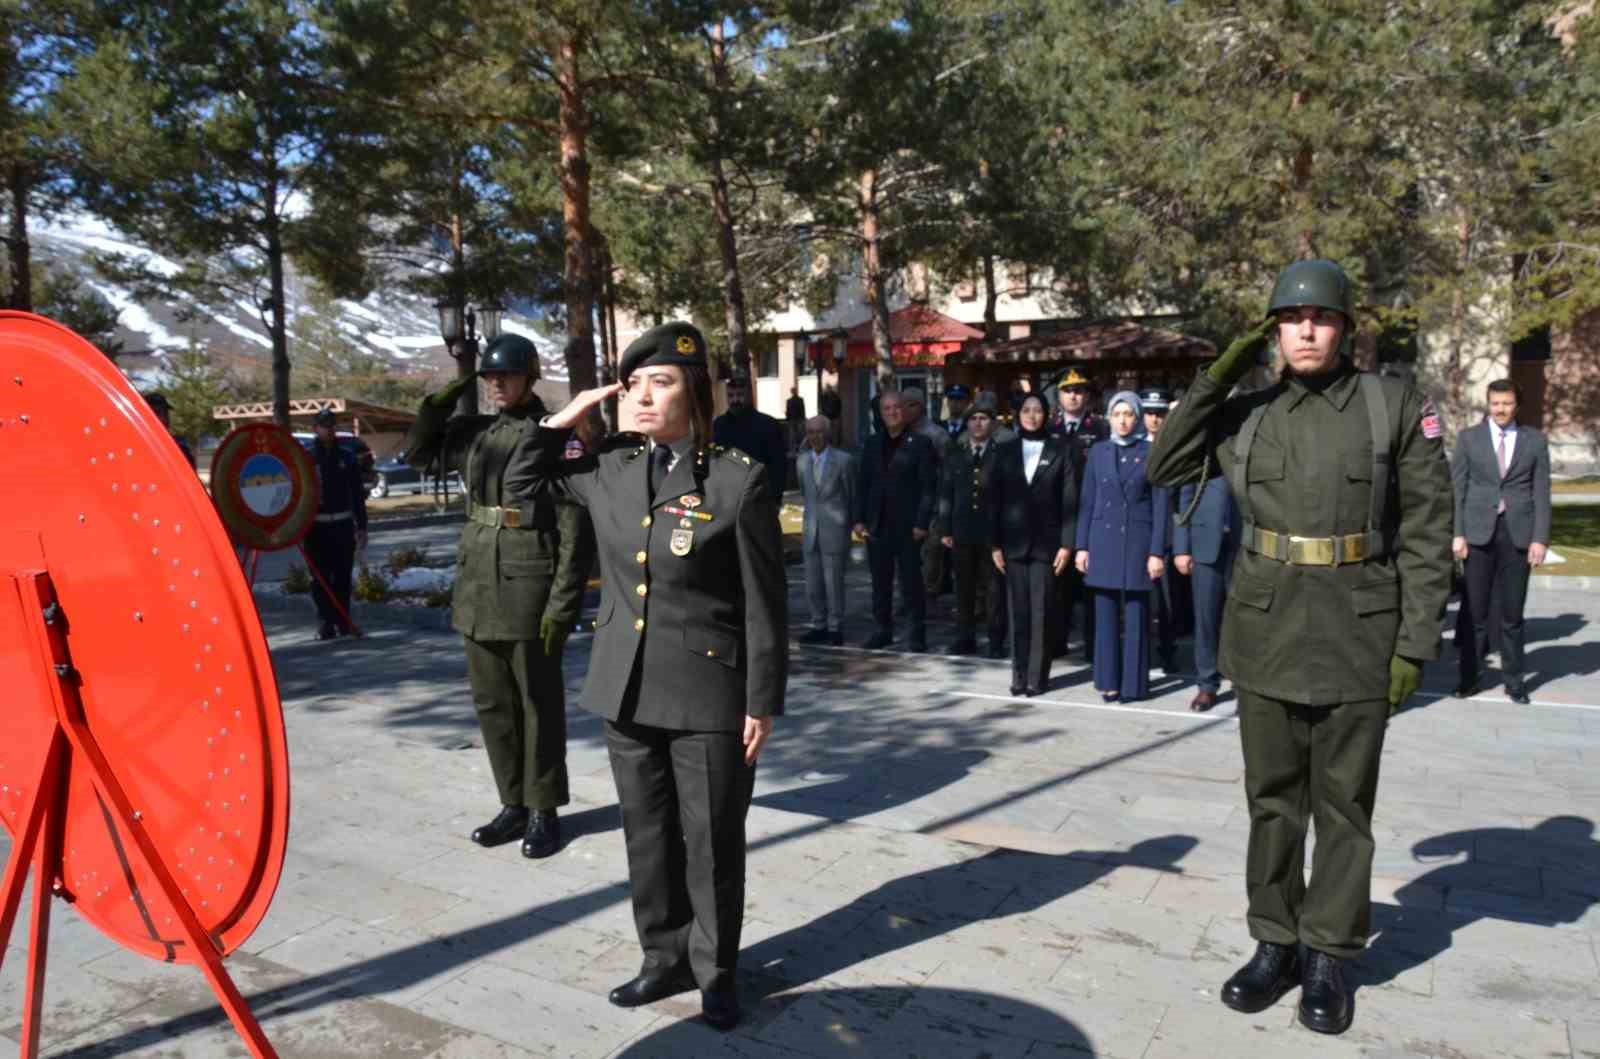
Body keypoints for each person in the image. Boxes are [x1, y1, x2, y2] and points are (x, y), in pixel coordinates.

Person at [1146, 259, 1453, 1036]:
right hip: (1265, 627)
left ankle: (1329, 953)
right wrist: (1219, 372)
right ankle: (1274, 941)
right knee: (1272, 799)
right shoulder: (1247, 412)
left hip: (1359, 629)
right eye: (1289, 318)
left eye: (1319, 317)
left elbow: (1423, 533)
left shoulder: (1391, 407)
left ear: (1345, 326)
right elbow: (1165, 464)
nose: (1305, 329)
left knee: (1343, 807)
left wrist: (1414, 643)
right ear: (1272, 331)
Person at [524, 322, 787, 1032]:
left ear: (695, 394)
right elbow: (520, 478)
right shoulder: (610, 468)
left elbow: (766, 602)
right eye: (634, 383)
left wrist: (763, 699)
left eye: (660, 382)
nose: (642, 395)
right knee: (647, 836)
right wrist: (567, 414)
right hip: (625, 687)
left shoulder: (737, 479)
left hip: (708, 695)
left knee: (711, 843)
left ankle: (715, 972)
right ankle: (661, 956)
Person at [403, 336, 591, 860]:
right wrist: (440, 402)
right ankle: (511, 802)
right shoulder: (473, 430)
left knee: (537, 703)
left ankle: (543, 809)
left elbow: (575, 522)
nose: (496, 384)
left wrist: (564, 602)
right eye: (489, 377)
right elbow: (418, 453)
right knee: (492, 703)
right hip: (479, 583)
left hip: (530, 582)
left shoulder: (553, 433)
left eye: (505, 376)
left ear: (529, 378)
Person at [1452, 378, 1551, 703]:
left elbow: (1541, 493)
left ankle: (1515, 682)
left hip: (1518, 536)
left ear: (1516, 405)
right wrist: (1457, 534)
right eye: (1495, 403)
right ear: (1488, 403)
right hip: (1477, 535)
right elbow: (1457, 491)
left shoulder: (1535, 441)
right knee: (1475, 615)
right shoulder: (1468, 439)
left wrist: (1540, 539)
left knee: (1512, 615)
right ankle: (1469, 678)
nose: (1501, 409)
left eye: (1507, 403)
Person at [1074, 392, 1170, 702]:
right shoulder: (1099, 452)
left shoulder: (1152, 451)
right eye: (1117, 414)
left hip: (1138, 542)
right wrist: (1082, 546)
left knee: (1137, 614)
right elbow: (1088, 502)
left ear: (1138, 416)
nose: (1123, 420)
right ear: (1109, 418)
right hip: (1102, 541)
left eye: (1129, 414)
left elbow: (1161, 505)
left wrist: (1157, 551)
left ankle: (1135, 684)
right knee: (1104, 614)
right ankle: (1108, 681)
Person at [991, 393, 1077, 695]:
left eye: (1037, 410)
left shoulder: (1061, 449)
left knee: (1042, 612)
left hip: (1047, 545)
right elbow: (994, 500)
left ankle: (1037, 677)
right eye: (1025, 410)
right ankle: (1018, 675)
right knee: (1018, 611)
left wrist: (1067, 544)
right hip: (1012, 543)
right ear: (1017, 414)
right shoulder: (1004, 450)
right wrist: (995, 545)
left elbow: (1069, 500)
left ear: (1048, 414)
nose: (1031, 415)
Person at [853, 389, 937, 651]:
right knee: (880, 582)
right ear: (881, 413)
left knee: (911, 583)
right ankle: (883, 630)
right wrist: (858, 519)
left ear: (906, 411)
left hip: (908, 526)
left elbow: (928, 487)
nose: (892, 412)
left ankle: (916, 634)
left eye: (897, 408)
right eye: (887, 408)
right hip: (877, 525)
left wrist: (922, 523)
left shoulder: (921, 443)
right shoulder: (872, 443)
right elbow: (863, 484)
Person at [937, 394, 1008, 657]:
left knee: (993, 590)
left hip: (992, 533)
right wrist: (945, 527)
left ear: (992, 424)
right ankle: (965, 637)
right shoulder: (955, 454)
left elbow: (1007, 497)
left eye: (983, 419)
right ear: (967, 424)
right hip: (962, 530)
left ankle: (996, 640)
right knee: (964, 589)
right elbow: (946, 492)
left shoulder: (1002, 454)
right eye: (973, 419)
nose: (978, 424)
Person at [1052, 367, 1108, 660]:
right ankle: (1058, 642)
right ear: (1059, 395)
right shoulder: (1049, 428)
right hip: (1057, 519)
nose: (1074, 396)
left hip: (1092, 516)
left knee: (1090, 587)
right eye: (1068, 390)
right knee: (1058, 587)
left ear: (1086, 396)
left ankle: (1092, 647)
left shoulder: (1100, 429)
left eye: (1079, 391)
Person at [1175, 471, 1240, 712]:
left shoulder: (1248, 444)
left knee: (1242, 620)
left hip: (1242, 545)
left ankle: (1241, 683)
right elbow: (1186, 501)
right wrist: (1182, 548)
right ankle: (1207, 685)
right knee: (1205, 618)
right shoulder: (1201, 453)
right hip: (1204, 542)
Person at [304, 408, 369, 641]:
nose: (329, 429)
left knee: (342, 576)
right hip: (316, 528)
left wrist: (362, 526)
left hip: (342, 524)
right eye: (324, 425)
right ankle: (325, 623)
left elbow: (357, 493)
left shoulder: (347, 456)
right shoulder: (306, 458)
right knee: (320, 578)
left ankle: (344, 621)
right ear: (315, 428)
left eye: (332, 425)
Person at [797, 414, 854, 646]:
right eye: (810, 432)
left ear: (828, 434)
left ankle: (835, 626)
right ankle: (818, 624)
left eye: (819, 431)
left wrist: (848, 522)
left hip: (835, 529)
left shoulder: (844, 460)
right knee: (813, 582)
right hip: (811, 528)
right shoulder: (801, 461)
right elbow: (805, 492)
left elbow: (851, 494)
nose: (815, 436)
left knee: (833, 582)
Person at [1140, 385, 1183, 674]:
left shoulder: (1177, 446)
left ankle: (1168, 650)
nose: (1154, 419)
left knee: (1166, 600)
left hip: (1167, 531)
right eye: (1149, 413)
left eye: (1159, 413)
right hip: (1138, 531)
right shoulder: (1133, 443)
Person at [900, 386, 953, 599]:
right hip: (906, 506)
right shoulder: (899, 433)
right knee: (906, 557)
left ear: (918, 407)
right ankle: (908, 597)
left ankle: (929, 595)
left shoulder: (936, 435)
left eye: (907, 405)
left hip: (933, 505)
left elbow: (949, 470)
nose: (902, 410)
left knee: (932, 555)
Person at [714, 373, 787, 502]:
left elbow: (778, 465)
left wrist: (775, 499)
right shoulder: (718, 426)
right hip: (726, 498)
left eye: (740, 395)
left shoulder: (768, 425)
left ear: (749, 395)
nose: (735, 400)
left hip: (759, 497)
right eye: (731, 395)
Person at [143, 391, 196, 468]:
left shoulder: (180, 450)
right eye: (157, 412)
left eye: (165, 413)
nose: (163, 418)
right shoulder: (135, 448)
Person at [785, 384, 807, 453]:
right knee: (795, 436)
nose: (793, 392)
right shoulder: (798, 400)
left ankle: (795, 449)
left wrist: (788, 419)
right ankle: (796, 449)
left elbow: (788, 411)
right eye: (793, 391)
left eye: (794, 391)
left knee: (796, 436)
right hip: (795, 420)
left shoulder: (790, 401)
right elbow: (788, 411)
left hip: (796, 420)